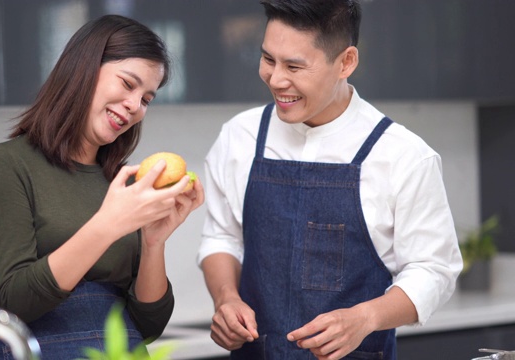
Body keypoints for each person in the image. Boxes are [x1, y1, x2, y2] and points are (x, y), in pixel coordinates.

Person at [197, 1, 463, 359]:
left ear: (346, 62)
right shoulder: (238, 137)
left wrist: (365, 317)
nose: (276, 80)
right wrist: (226, 298)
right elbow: (222, 237)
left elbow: (434, 270)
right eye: (268, 59)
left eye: (294, 66)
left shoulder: (403, 155)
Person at [0, 14, 204, 359]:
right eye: (127, 84)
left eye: (147, 99)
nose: (135, 106)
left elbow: (147, 325)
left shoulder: (123, 183)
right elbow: (14, 301)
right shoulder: (6, 164)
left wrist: (154, 242)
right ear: (84, 67)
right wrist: (108, 225)